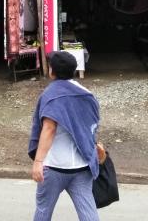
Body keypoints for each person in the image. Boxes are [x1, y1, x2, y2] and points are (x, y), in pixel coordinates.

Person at [29, 51, 100, 221]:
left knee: (43, 211)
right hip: (83, 166)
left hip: (54, 167)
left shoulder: (52, 94)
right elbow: (92, 125)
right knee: (88, 213)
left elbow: (49, 128)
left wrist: (38, 162)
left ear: (51, 70)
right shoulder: (86, 94)